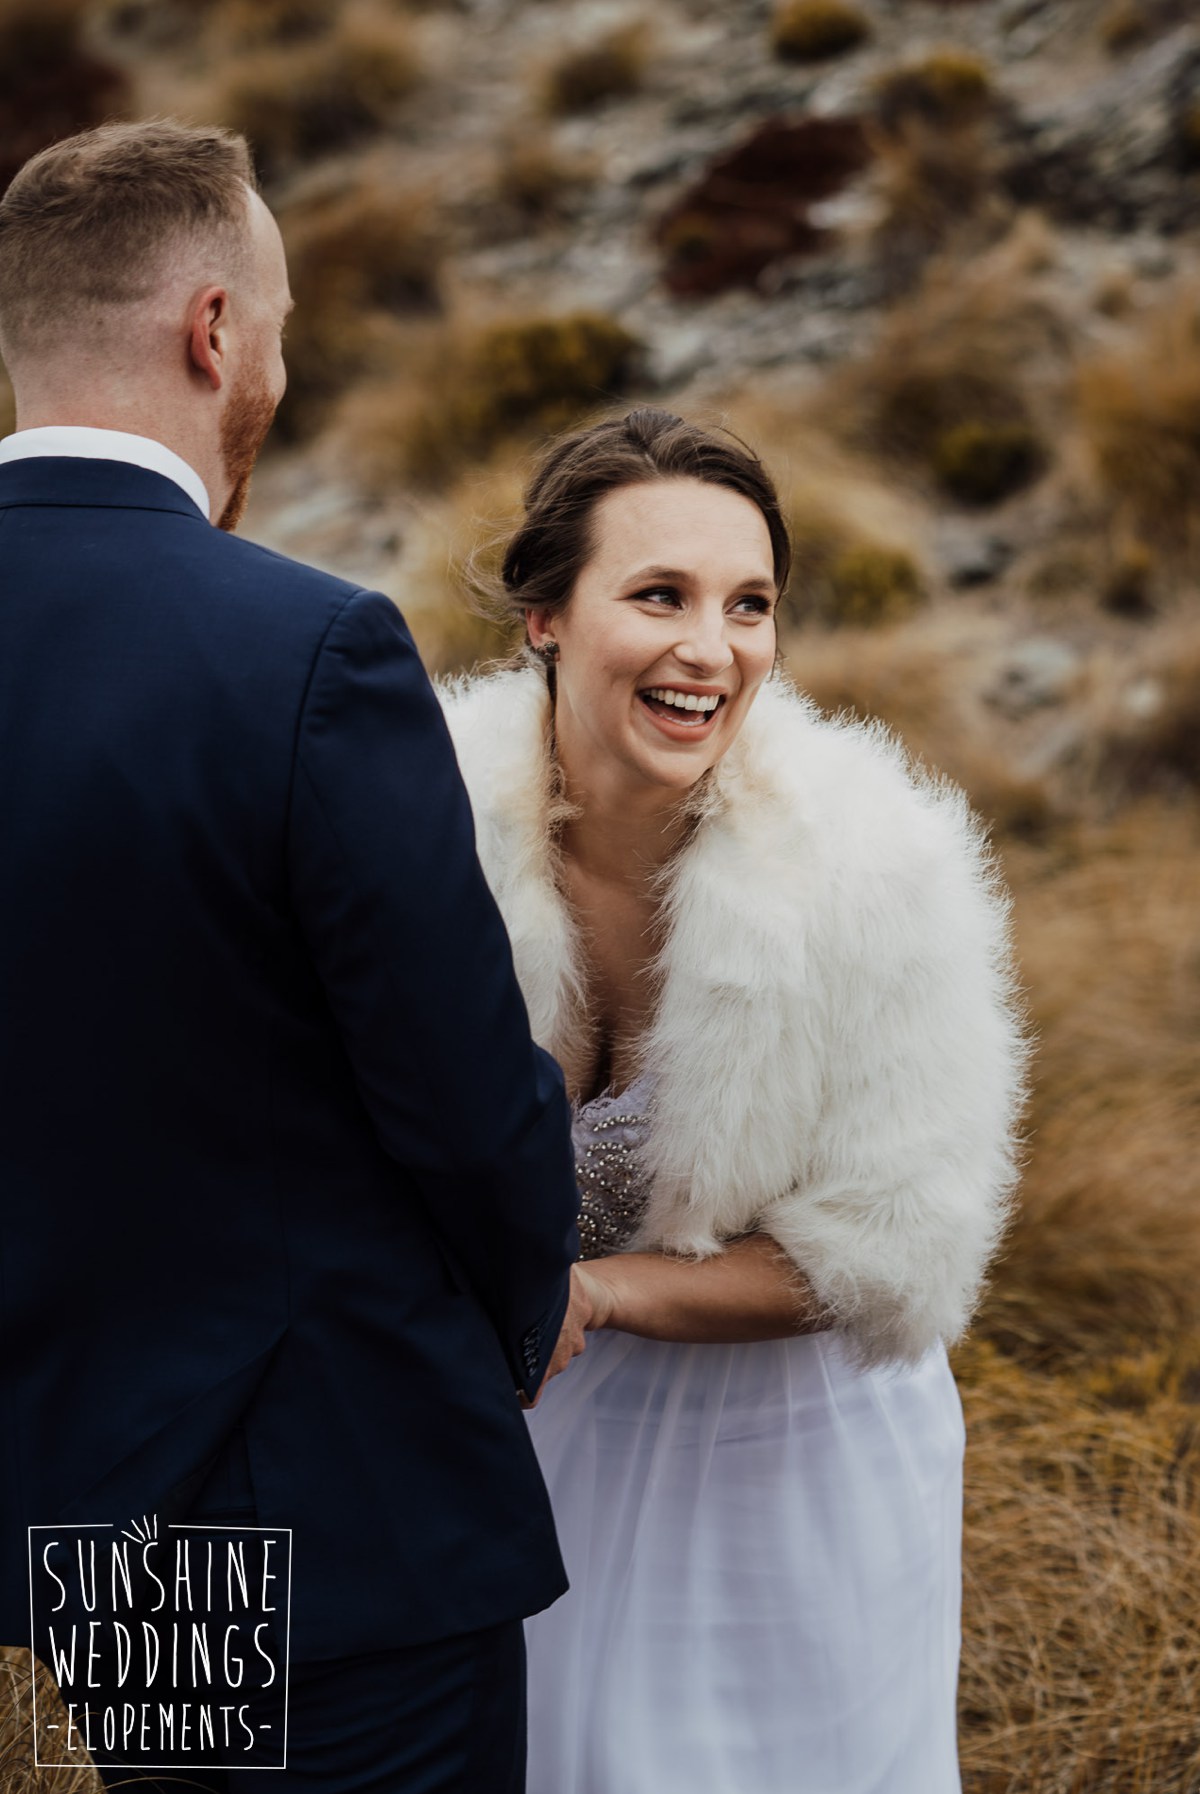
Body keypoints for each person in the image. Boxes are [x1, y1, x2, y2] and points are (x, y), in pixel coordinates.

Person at [0, 121, 588, 1794]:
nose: (276, 362)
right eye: (276, 325)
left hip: (100, 1497)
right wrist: (520, 1309)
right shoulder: (304, 652)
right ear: (209, 331)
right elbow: (465, 1100)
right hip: (341, 1509)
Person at [439, 408, 1029, 1794]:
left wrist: (603, 1291)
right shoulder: (420, 816)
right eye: (661, 595)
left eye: (750, 604)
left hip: (796, 1462)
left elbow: (902, 1247)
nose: (714, 649)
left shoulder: (881, 862)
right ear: (543, 616)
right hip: (521, 1442)